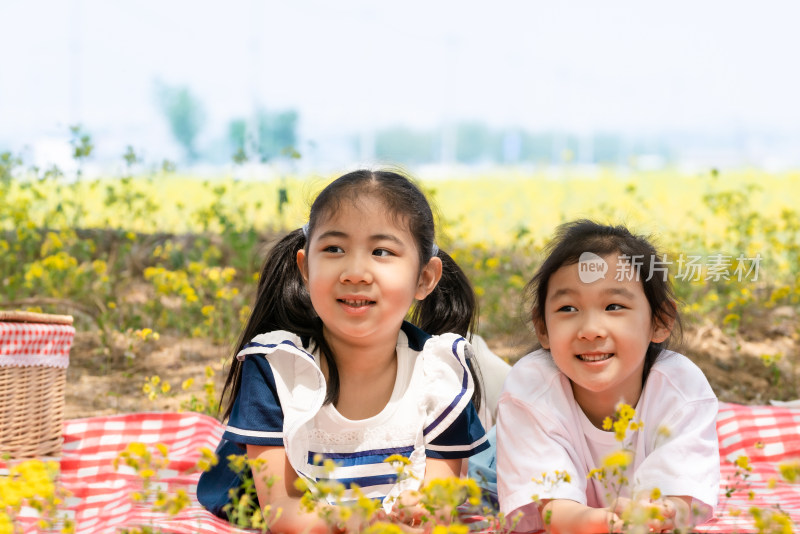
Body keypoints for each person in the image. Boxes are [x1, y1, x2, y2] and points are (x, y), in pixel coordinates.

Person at [197, 169, 488, 532]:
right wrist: (352, 523)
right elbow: (285, 513)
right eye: (334, 249)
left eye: (382, 251)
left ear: (425, 278)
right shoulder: (276, 368)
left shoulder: (441, 374)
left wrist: (420, 510)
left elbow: (439, 502)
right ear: (305, 267)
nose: (355, 272)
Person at [496, 220, 719, 533]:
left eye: (614, 306)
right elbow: (550, 511)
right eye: (568, 308)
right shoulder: (529, 390)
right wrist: (603, 522)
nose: (590, 330)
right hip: (497, 455)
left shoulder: (682, 389)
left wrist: (664, 512)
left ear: (660, 320)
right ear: (543, 327)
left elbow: (680, 498)